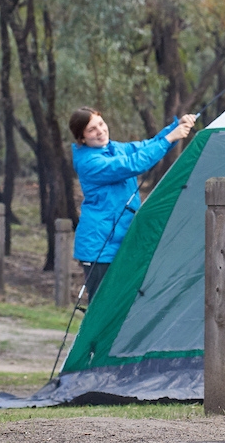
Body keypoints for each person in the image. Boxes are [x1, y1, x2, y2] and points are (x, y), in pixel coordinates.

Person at [69, 108, 195, 300]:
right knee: (103, 308)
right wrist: (170, 138)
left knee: (122, 305)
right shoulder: (90, 162)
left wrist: (175, 127)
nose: (100, 131)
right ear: (82, 138)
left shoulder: (113, 148)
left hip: (121, 240)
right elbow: (134, 164)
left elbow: (148, 146)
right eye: (91, 129)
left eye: (101, 124)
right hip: (99, 247)